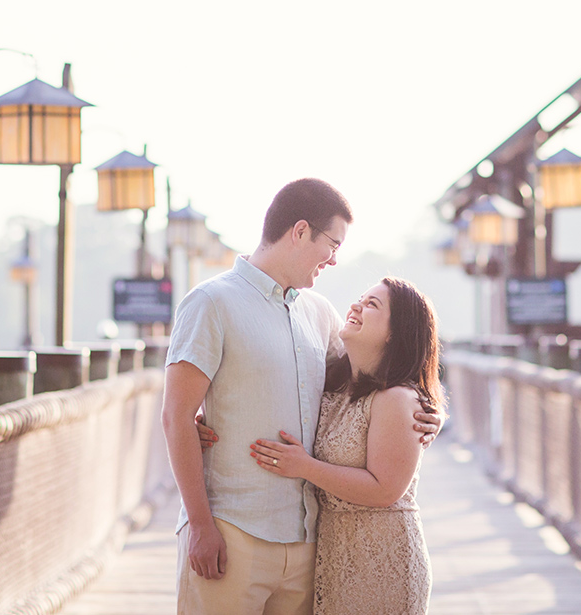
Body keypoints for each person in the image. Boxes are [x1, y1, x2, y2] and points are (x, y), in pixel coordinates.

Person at [162, 178, 440, 615]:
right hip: (232, 530)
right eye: (332, 243)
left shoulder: (321, 314)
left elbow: (377, 377)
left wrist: (428, 415)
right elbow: (175, 417)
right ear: (300, 231)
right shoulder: (210, 302)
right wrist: (199, 525)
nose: (334, 259)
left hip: (311, 544)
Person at [249, 277, 441, 615]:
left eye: (372, 305)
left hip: (383, 560)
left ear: (395, 332)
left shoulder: (397, 399)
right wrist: (206, 420)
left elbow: (385, 490)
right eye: (360, 298)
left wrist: (304, 466)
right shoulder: (333, 384)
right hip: (332, 556)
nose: (355, 306)